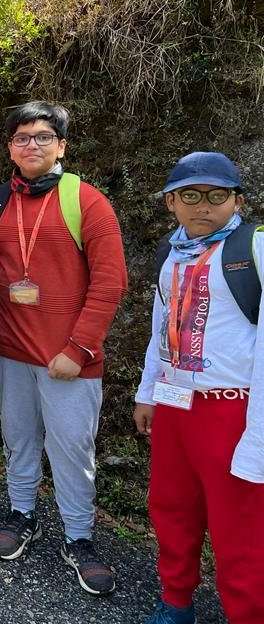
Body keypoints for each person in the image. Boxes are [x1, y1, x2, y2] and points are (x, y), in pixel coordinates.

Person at [0, 101, 127, 595]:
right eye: (21, 138)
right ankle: (22, 515)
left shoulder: (87, 200)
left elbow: (111, 282)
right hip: (10, 350)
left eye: (42, 137)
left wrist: (79, 349)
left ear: (61, 145)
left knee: (72, 450)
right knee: (19, 440)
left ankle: (78, 538)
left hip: (69, 360)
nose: (31, 145)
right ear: (10, 148)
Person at [134, 152, 264, 624]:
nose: (203, 206)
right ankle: (176, 601)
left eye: (217, 196)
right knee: (171, 510)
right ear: (171, 202)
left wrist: (258, 435)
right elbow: (160, 326)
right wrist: (148, 391)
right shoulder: (172, 254)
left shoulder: (255, 248)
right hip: (175, 404)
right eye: (190, 195)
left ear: (238, 202)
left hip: (234, 409)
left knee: (240, 529)